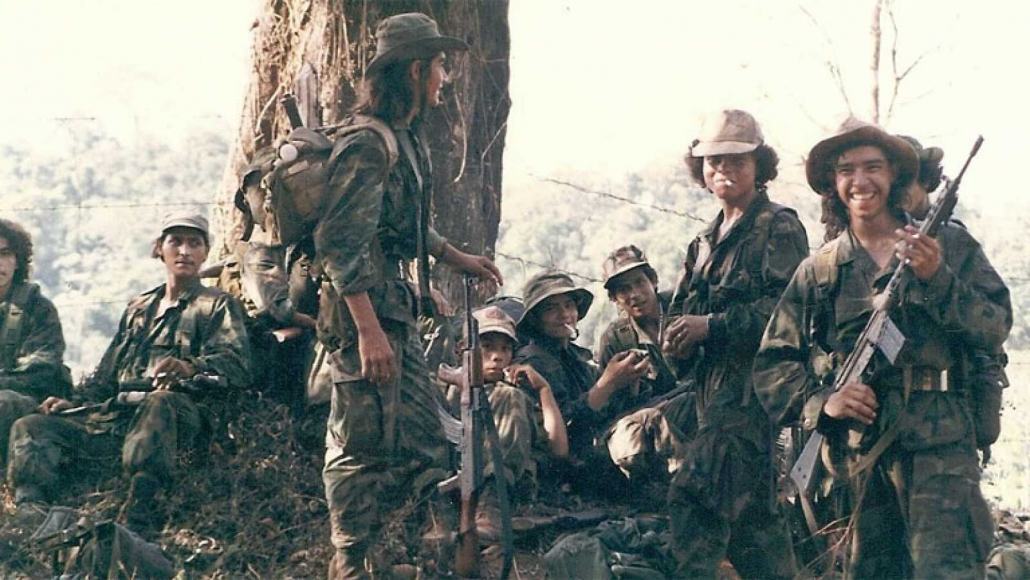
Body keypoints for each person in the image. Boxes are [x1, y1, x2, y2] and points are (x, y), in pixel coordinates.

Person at [753, 117, 1011, 578]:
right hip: (861, 456)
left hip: (941, 449)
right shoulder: (820, 269)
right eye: (846, 170)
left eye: (873, 167)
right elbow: (772, 366)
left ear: (894, 176)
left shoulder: (947, 245)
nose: (860, 181)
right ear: (832, 184)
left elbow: (995, 326)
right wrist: (823, 401)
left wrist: (938, 280)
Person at [314, 12, 503, 578]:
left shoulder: (404, 139)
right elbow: (339, 243)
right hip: (362, 317)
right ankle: (350, 562)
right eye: (440, 66)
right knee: (358, 444)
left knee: (420, 442)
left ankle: (400, 554)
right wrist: (368, 331)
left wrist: (456, 257)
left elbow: (404, 224)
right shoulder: (368, 144)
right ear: (416, 71)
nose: (446, 77)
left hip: (391, 309)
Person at [7, 212, 251, 530]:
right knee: (32, 425)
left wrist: (190, 367)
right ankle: (30, 512)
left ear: (205, 252)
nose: (184, 251)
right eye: (175, 242)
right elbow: (105, 376)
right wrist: (73, 403)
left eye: (194, 243)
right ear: (159, 249)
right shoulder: (139, 308)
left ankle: (142, 506)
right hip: (119, 420)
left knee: (159, 402)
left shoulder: (216, 305)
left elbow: (236, 364)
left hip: (177, 421)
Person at [662, 109, 806, 578]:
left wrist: (712, 326)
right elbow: (680, 313)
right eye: (713, 161)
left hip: (752, 391)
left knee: (694, 496)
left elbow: (787, 314)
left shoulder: (779, 226)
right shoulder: (703, 242)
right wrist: (679, 341)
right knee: (752, 521)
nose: (723, 169)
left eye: (737, 160)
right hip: (710, 391)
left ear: (759, 166)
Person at [511, 270, 649, 496]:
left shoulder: (577, 357)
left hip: (600, 445)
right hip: (574, 465)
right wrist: (608, 384)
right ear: (535, 319)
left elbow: (609, 410)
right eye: (551, 308)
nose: (564, 314)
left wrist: (629, 381)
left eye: (568, 305)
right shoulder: (533, 362)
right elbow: (562, 430)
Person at [440, 305, 567, 544]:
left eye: (505, 349)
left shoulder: (513, 396)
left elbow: (558, 449)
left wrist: (543, 390)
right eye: (486, 347)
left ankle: (491, 507)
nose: (497, 356)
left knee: (508, 396)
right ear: (462, 350)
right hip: (448, 483)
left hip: (503, 489)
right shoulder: (443, 389)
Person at [595, 245, 695, 481]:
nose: (634, 294)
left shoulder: (684, 307)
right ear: (614, 299)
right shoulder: (616, 338)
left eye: (640, 283)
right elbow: (612, 408)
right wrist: (625, 384)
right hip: (654, 421)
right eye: (623, 290)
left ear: (654, 281)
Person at [0, 219, 71, 467]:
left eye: (4, 254)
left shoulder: (37, 308)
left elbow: (41, 370)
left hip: (29, 401)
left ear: (18, 260)